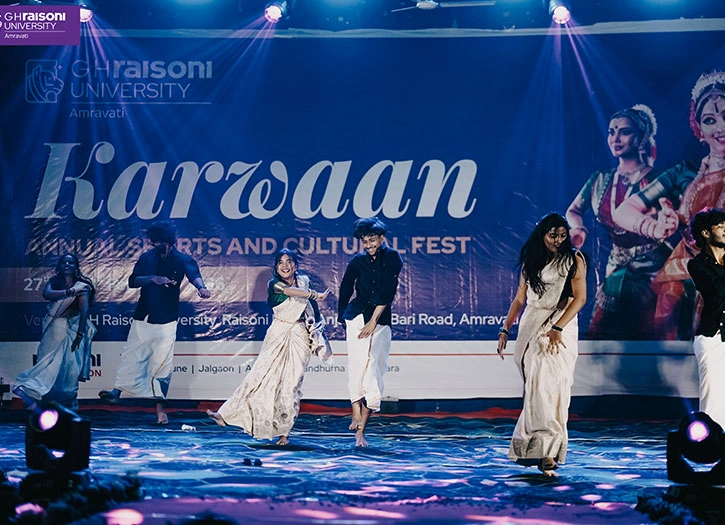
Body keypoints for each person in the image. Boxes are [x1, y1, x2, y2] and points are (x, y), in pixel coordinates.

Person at [612, 71, 725, 339]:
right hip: (686, 266)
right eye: (710, 120)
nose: (720, 127)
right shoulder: (683, 172)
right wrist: (656, 227)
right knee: (672, 305)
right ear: (699, 129)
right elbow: (623, 211)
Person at [206, 249, 331, 445]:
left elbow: (311, 311)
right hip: (278, 333)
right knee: (259, 377)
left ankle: (284, 433)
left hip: (299, 336)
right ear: (276, 267)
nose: (285, 265)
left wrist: (316, 333)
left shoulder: (304, 282)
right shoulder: (274, 284)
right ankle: (226, 415)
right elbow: (289, 292)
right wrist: (315, 295)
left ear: (295, 266)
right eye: (280, 262)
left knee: (291, 385)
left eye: (289, 261)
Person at [566, 104, 667, 339]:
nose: (616, 138)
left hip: (653, 267)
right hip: (616, 265)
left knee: (649, 334)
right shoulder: (600, 179)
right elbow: (573, 210)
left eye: (625, 131)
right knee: (604, 333)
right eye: (612, 132)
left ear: (642, 136)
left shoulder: (659, 179)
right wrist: (579, 228)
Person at [497, 213, 587, 476]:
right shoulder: (532, 262)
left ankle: (548, 450)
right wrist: (505, 328)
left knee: (554, 387)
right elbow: (519, 299)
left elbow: (580, 299)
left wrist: (557, 328)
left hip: (561, 325)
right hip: (532, 326)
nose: (558, 240)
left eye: (563, 235)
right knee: (537, 388)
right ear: (542, 235)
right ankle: (537, 448)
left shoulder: (574, 260)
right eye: (553, 235)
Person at [98, 221, 211, 425]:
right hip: (144, 315)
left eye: (157, 242)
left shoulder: (183, 259)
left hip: (167, 319)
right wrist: (152, 278)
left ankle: (160, 410)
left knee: (162, 365)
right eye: (153, 241)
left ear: (168, 241)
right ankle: (116, 392)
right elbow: (133, 281)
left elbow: (194, 275)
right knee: (132, 356)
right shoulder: (146, 258)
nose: (154, 245)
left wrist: (201, 288)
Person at [338, 217, 404, 447]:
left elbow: (387, 291)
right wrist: (342, 317)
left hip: (380, 320)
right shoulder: (358, 261)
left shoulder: (393, 257)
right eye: (365, 241)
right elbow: (345, 289)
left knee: (373, 371)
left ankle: (361, 432)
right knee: (357, 366)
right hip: (356, 316)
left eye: (372, 240)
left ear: (381, 238)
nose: (369, 245)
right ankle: (355, 410)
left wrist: (373, 321)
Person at [13, 254, 96, 410]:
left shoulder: (83, 286)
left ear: (76, 267)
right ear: (60, 266)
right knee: (48, 362)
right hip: (54, 329)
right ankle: (33, 390)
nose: (67, 264)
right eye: (64, 262)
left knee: (71, 367)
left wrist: (79, 334)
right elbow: (47, 294)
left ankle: (69, 404)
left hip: (73, 329)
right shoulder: (55, 282)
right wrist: (70, 292)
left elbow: (84, 310)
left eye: (71, 262)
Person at [686, 208, 725, 428]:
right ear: (706, 233)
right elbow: (717, 292)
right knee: (713, 397)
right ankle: (713, 441)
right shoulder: (697, 264)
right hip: (713, 337)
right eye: (720, 226)